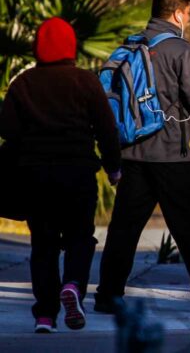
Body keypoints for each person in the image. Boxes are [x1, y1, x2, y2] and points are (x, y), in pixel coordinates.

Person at [95, 0, 190, 314]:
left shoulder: (131, 46)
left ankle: (107, 295)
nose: (188, 18)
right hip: (170, 155)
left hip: (133, 154)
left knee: (124, 229)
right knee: (187, 227)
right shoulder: (181, 49)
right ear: (177, 13)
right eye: (188, 13)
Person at [0, 18, 122, 333]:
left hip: (34, 177)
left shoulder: (22, 84)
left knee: (43, 245)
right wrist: (113, 167)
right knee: (80, 237)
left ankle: (45, 315)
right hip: (78, 174)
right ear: (70, 46)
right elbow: (107, 130)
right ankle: (73, 286)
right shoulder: (85, 82)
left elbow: (8, 132)